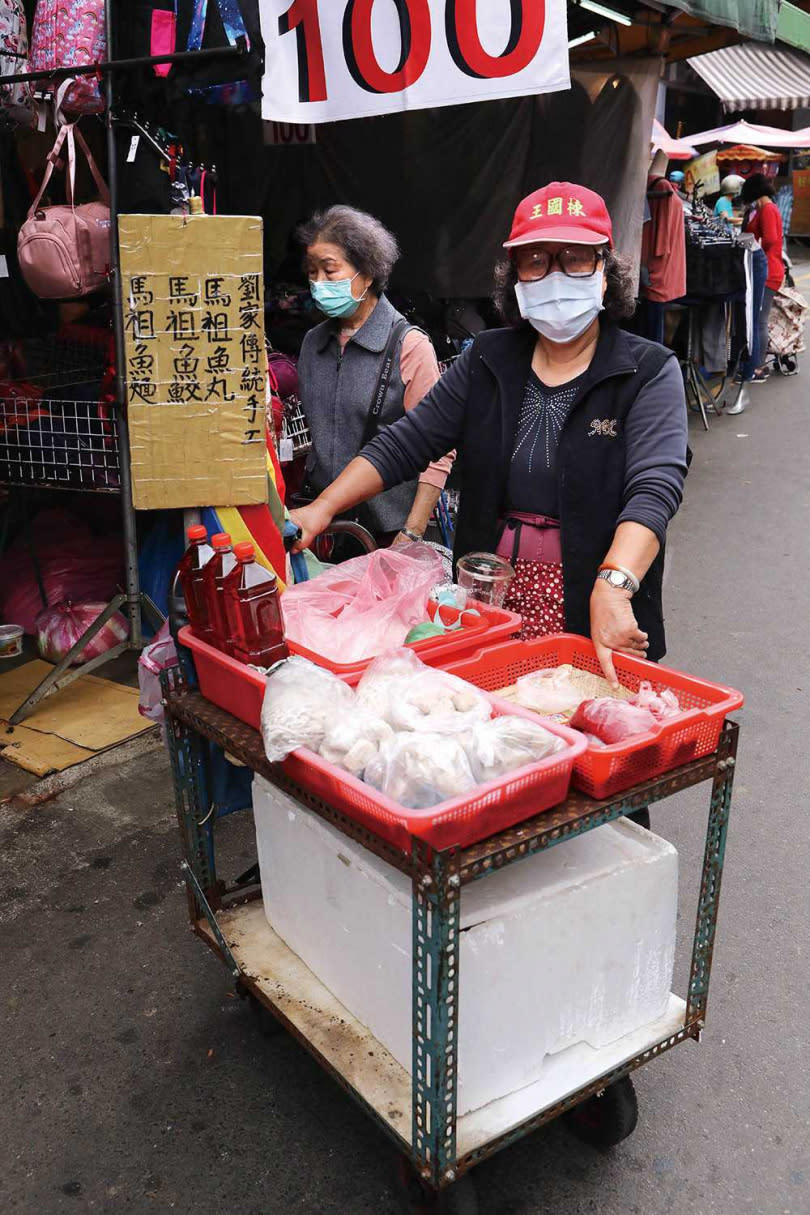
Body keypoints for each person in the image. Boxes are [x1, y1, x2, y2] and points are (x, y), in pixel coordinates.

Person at [291, 182, 689, 689]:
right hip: (490, 600)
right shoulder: (488, 358)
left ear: (605, 273)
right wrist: (321, 508)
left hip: (597, 600)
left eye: (574, 258)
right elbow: (405, 443)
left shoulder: (649, 371)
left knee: (585, 729)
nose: (555, 274)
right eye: (536, 261)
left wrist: (613, 586)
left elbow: (654, 490)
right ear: (516, 277)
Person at [296, 205, 452, 545]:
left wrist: (411, 532)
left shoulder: (408, 345)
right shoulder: (313, 344)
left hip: (388, 533)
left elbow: (439, 451)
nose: (319, 283)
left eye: (329, 270)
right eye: (312, 273)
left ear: (366, 273)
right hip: (325, 529)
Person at [740, 173, 784, 383]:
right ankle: (756, 364)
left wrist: (750, 245)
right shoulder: (765, 208)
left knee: (758, 321)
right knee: (758, 320)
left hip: (768, 270)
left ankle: (757, 367)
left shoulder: (767, 209)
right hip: (766, 268)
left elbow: (770, 240)